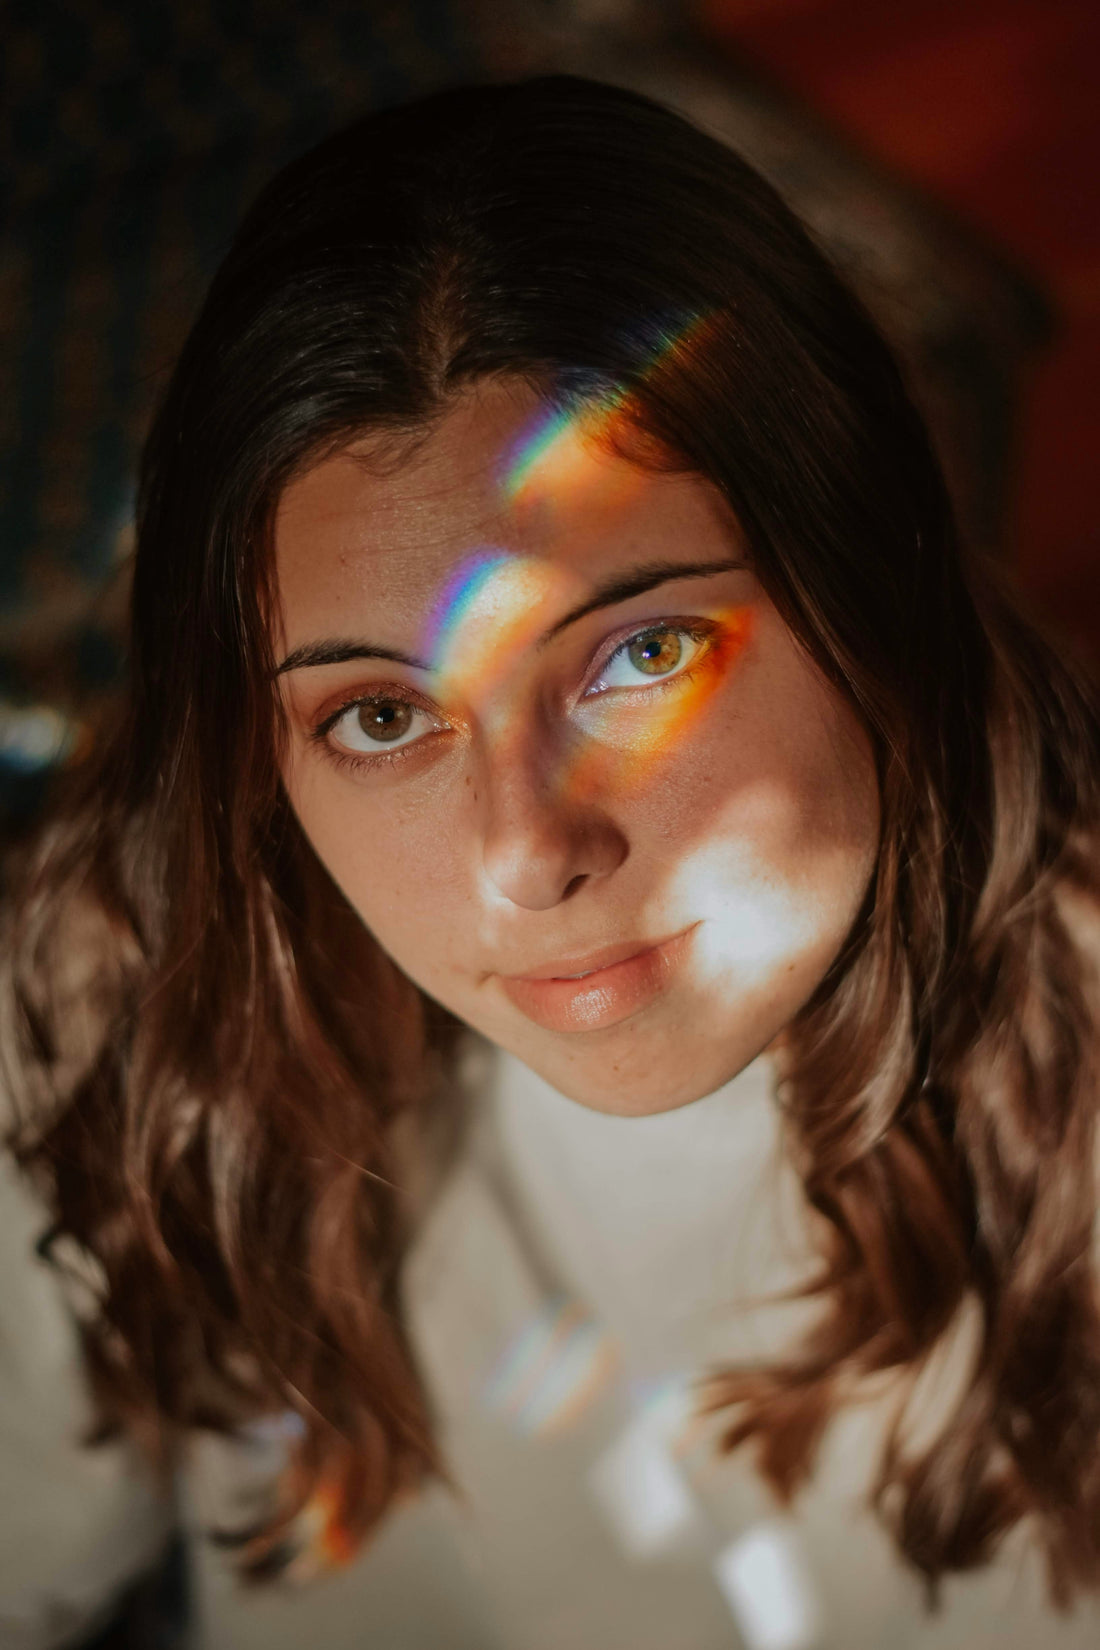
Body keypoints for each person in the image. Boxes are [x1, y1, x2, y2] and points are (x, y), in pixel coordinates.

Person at [2, 74, 1100, 1648]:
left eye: (643, 651)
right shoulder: (126, 998)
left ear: (874, 578)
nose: (526, 854)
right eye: (379, 713)